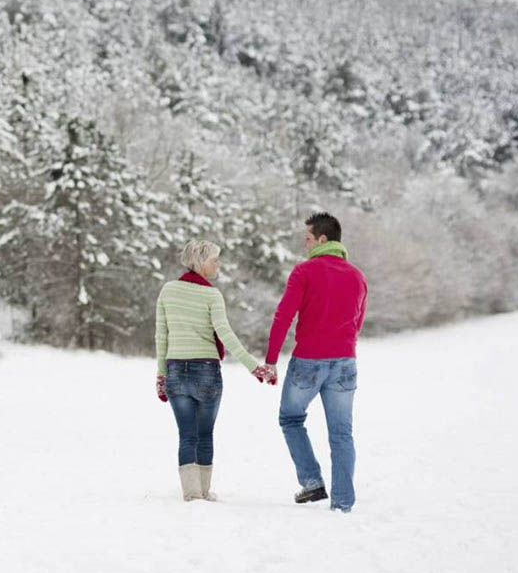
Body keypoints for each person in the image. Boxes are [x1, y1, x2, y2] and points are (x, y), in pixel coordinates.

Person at [254, 212, 368, 513]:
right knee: (342, 432)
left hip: (308, 361)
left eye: (307, 238)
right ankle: (343, 502)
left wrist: (271, 360)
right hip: (344, 362)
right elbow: (358, 322)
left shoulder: (305, 272)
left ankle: (312, 482)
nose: (303, 243)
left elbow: (283, 316)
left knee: (291, 418)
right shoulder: (357, 276)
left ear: (322, 239)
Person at [155, 239, 264, 502]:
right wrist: (253, 366)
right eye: (214, 259)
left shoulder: (168, 291)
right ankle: (202, 492)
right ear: (199, 262)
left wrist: (162, 374)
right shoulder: (211, 295)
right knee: (204, 434)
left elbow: (162, 336)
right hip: (206, 371)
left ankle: (192, 494)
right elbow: (224, 333)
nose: (218, 264)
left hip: (176, 371)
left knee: (186, 435)